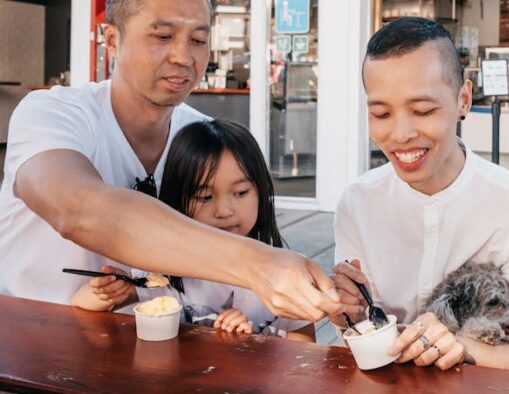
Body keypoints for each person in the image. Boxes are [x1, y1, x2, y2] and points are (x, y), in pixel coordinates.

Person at [0, 0, 341, 322]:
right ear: (113, 40)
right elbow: (76, 209)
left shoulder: (198, 136)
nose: (183, 56)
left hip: (151, 348)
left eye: (198, 39)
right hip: (27, 339)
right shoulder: (52, 113)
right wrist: (258, 265)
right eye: (162, 36)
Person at [330, 17, 509, 371]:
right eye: (381, 113)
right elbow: (357, 330)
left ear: (463, 100)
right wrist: (350, 314)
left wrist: (463, 347)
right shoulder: (357, 204)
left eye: (423, 110)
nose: (401, 134)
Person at [70, 120, 315, 342]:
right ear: (178, 200)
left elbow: (305, 343)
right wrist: (107, 292)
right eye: (205, 196)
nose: (224, 210)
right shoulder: (165, 269)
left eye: (240, 193)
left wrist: (255, 343)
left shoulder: (283, 272)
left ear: (261, 191)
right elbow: (80, 304)